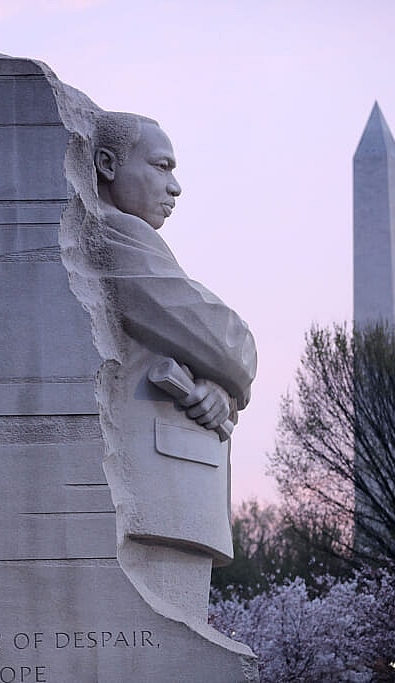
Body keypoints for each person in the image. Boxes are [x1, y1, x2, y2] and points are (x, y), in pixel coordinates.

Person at [89, 111, 257, 620]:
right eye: (161, 167)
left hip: (173, 488)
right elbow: (227, 341)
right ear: (107, 164)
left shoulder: (134, 240)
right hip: (159, 490)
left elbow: (199, 352)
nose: (175, 186)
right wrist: (232, 368)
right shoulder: (116, 234)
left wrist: (219, 391)